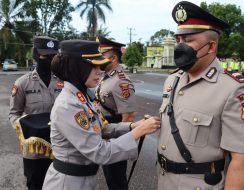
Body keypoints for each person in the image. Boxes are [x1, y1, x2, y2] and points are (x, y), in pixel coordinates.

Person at [42, 40, 161, 190]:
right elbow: (99, 152)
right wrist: (138, 132)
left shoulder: (81, 96)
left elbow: (99, 128)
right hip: (68, 183)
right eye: (94, 66)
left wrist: (132, 126)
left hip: (83, 178)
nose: (99, 70)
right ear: (77, 68)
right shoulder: (68, 104)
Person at [157, 1, 244, 190]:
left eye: (189, 40)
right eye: (178, 40)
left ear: (211, 46)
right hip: (164, 181)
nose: (180, 46)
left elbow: (242, 162)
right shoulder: (172, 81)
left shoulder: (233, 89)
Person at [9, 36, 61, 190]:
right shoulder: (22, 84)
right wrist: (27, 130)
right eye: (46, 55)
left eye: (53, 56)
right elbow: (14, 114)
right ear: (35, 54)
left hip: (60, 148)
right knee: (36, 185)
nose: (50, 60)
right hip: (35, 152)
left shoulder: (63, 82)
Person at [95, 36, 136, 190]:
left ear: (113, 57)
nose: (99, 59)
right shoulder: (106, 77)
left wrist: (121, 146)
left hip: (115, 136)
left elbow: (129, 116)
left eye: (102, 55)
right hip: (106, 133)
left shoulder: (121, 81)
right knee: (110, 177)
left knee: (117, 180)